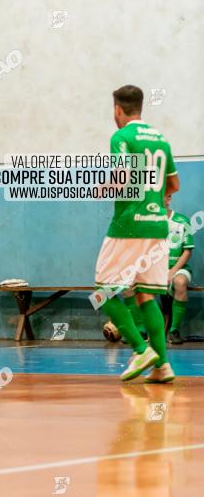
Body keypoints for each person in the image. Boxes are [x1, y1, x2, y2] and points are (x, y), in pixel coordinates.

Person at [94, 85, 180, 383]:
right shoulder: (161, 140)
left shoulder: (121, 137)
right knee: (145, 294)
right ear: (140, 108)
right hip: (158, 226)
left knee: (103, 292)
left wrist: (100, 189)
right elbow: (174, 186)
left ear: (118, 109)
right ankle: (163, 366)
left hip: (129, 225)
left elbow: (121, 178)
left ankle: (140, 348)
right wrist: (154, 200)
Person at [164, 193, 194, 345]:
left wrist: (172, 271)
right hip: (153, 268)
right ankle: (142, 331)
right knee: (133, 283)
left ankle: (174, 330)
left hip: (179, 267)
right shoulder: (147, 222)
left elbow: (187, 252)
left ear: (169, 199)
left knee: (180, 282)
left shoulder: (183, 221)